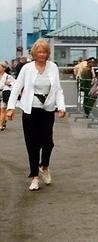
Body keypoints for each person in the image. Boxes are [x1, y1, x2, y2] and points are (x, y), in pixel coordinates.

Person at [6, 39, 66, 191]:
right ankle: (34, 177)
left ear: (48, 53)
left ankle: (44, 166)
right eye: (39, 52)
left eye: (45, 52)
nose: (42, 54)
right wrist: (11, 107)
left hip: (47, 109)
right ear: (34, 53)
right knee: (32, 144)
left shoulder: (53, 68)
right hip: (30, 110)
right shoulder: (27, 68)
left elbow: (58, 89)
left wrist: (61, 107)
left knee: (48, 142)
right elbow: (17, 87)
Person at [0, 61, 15, 131]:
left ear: (4, 68)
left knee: (2, 109)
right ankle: (3, 121)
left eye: (0, 66)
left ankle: (0, 125)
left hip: (4, 94)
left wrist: (9, 84)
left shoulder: (8, 76)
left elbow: (15, 84)